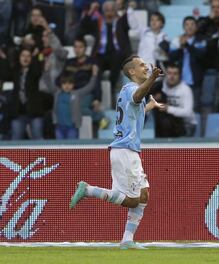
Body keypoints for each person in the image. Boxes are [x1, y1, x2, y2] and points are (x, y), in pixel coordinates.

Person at [69, 55, 165, 249]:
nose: (145, 67)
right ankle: (88, 190)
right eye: (141, 66)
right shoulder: (131, 89)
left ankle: (127, 240)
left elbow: (133, 113)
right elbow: (137, 96)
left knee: (144, 195)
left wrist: (149, 106)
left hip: (129, 151)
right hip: (124, 151)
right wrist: (152, 79)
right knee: (131, 200)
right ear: (131, 72)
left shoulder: (132, 92)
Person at [169, 16, 207, 113]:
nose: (189, 27)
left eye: (192, 24)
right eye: (187, 24)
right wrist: (181, 47)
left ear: (196, 27)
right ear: (183, 27)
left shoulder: (201, 40)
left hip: (195, 82)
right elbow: (172, 58)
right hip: (180, 81)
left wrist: (187, 46)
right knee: (180, 109)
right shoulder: (177, 40)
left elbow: (202, 56)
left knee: (195, 109)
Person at [53, 65, 98, 139]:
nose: (67, 86)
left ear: (73, 85)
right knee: (59, 149)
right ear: (61, 85)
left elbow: (90, 87)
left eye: (70, 83)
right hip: (59, 127)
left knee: (72, 149)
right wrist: (46, 71)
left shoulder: (77, 94)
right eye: (64, 83)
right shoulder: (57, 93)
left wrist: (94, 75)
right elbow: (49, 83)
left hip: (72, 127)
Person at [153, 63, 197, 137]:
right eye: (169, 73)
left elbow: (187, 113)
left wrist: (168, 108)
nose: (172, 76)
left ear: (180, 76)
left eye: (175, 74)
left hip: (186, 124)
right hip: (168, 123)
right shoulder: (161, 86)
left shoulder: (185, 89)